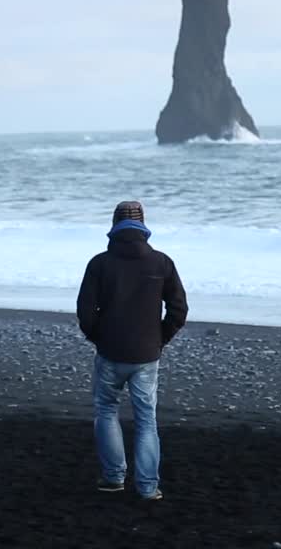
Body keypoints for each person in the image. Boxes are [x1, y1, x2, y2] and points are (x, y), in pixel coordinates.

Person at [77, 200, 188, 500]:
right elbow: (178, 310)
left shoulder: (99, 263)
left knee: (106, 411)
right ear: (144, 226)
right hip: (146, 355)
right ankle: (148, 487)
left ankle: (113, 478)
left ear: (114, 226)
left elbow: (85, 312)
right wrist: (159, 339)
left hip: (111, 351)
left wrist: (100, 338)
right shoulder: (161, 262)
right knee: (146, 420)